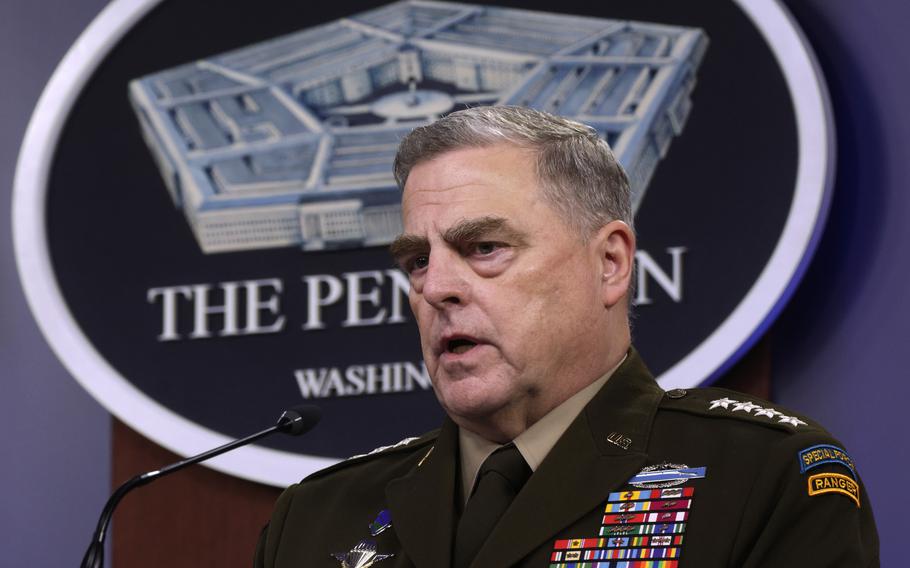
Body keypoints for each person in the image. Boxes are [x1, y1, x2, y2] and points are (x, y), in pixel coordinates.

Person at [255, 106, 878, 567]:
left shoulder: (761, 476)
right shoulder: (316, 519)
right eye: (418, 259)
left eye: (485, 248)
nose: (436, 286)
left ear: (609, 263)